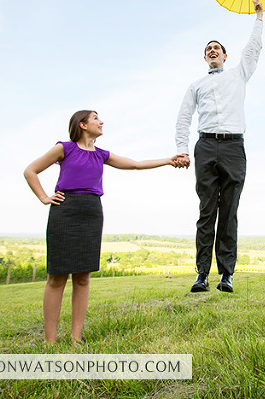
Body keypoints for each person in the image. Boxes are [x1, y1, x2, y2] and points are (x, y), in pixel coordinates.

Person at [24, 110, 184, 345]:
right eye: (96, 118)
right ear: (83, 124)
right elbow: (30, 171)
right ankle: (50, 341)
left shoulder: (101, 155)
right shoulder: (64, 148)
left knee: (83, 278)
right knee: (57, 278)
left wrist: (169, 160)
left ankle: (75, 338)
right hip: (65, 211)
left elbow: (136, 165)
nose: (101, 122)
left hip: (91, 212)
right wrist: (44, 197)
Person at [175, 0, 264, 293]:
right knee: (206, 211)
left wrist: (259, 17)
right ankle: (202, 274)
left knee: (229, 211)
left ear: (225, 56)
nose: (212, 51)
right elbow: (184, 117)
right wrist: (183, 149)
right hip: (205, 146)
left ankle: (227, 274)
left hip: (234, 147)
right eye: (207, 50)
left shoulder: (239, 75)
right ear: (205, 58)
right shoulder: (196, 85)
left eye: (217, 48)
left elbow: (252, 50)